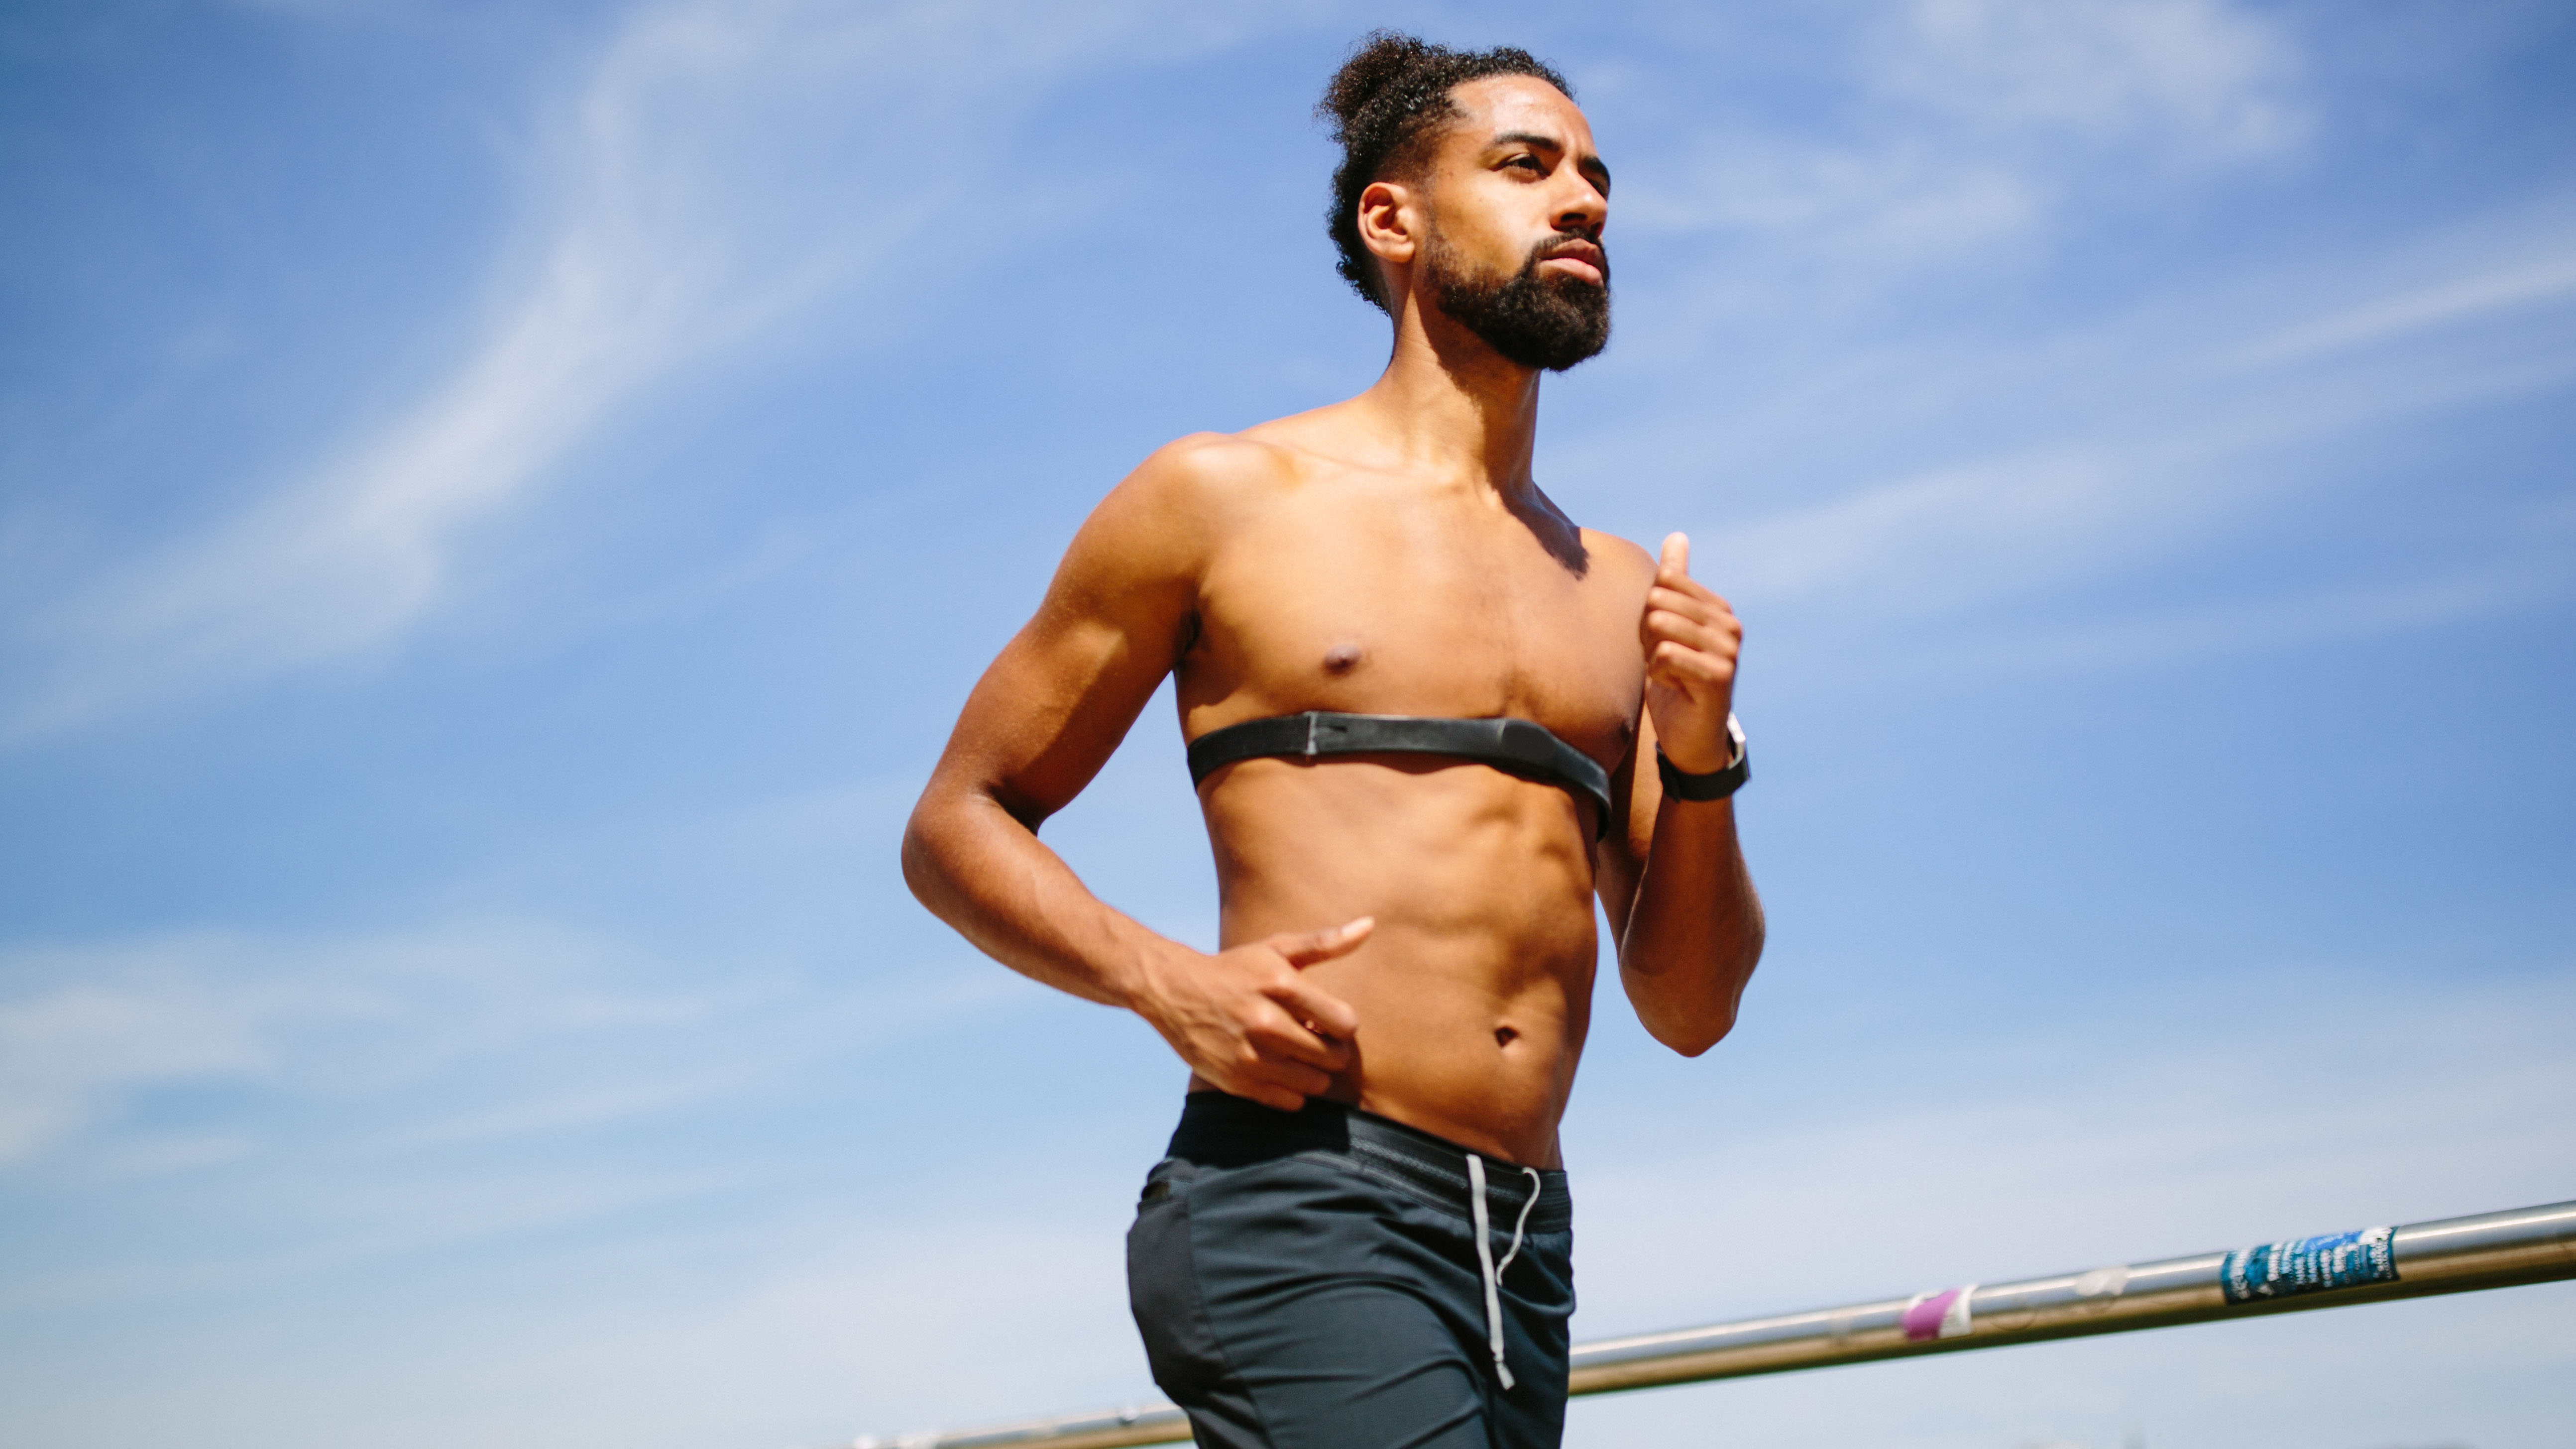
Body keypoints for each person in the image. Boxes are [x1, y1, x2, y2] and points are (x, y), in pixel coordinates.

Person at [902, 31, 1763, 1449]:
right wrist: (1167, 982)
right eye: (1528, 165)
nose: (1587, 202)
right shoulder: (1226, 498)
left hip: (1521, 1250)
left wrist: (1705, 745)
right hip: (1302, 1195)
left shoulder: (1623, 596)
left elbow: (1691, 1007)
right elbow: (957, 823)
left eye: (1600, 179)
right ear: (1394, 218)